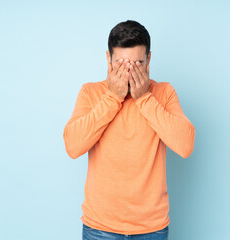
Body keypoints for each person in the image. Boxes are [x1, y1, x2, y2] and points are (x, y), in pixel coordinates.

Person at [63, 20, 195, 240]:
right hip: (100, 228)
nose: (129, 72)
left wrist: (144, 98)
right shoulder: (90, 93)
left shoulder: (163, 93)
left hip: (151, 229)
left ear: (148, 60)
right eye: (122, 64)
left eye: (137, 64)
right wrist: (113, 97)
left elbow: (185, 146)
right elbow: (73, 147)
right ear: (109, 59)